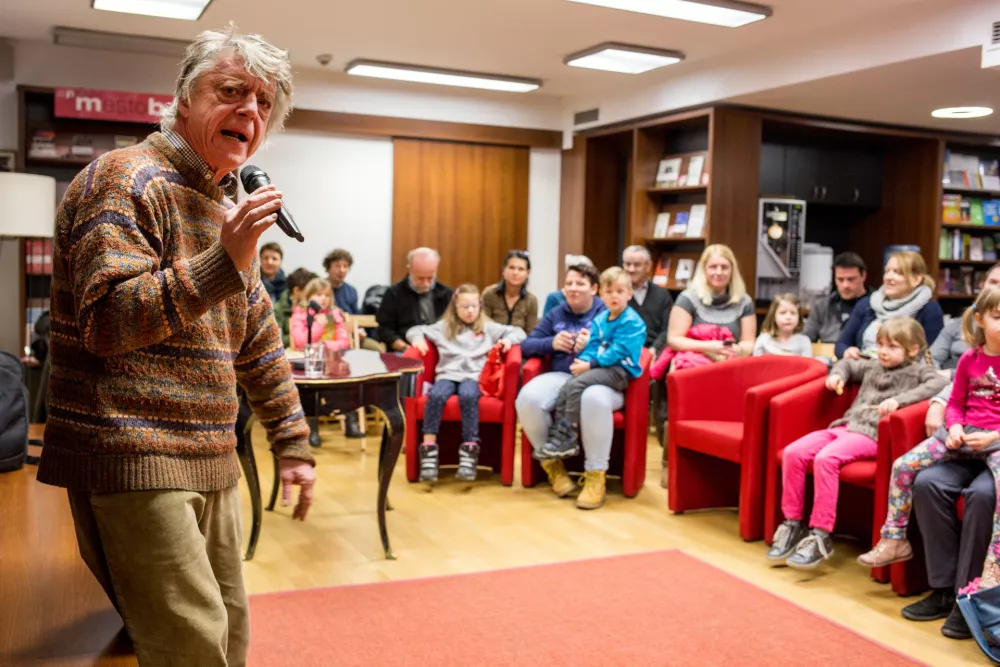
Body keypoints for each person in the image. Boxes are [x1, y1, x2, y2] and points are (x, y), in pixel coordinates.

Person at [36, 25, 316, 667]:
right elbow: (107, 322)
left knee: (227, 635)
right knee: (187, 645)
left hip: (212, 453)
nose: (250, 110)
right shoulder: (124, 179)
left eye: (264, 102)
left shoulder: (225, 204)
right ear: (185, 98)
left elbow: (259, 343)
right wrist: (227, 259)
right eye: (232, 90)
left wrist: (292, 442)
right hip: (133, 452)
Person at [766, 317, 946, 569]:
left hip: (870, 435)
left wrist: (901, 400)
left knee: (826, 459)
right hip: (845, 426)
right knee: (794, 453)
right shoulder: (873, 366)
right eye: (881, 344)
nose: (883, 352)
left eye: (892, 347)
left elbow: (940, 382)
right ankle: (792, 523)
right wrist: (837, 376)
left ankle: (820, 534)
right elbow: (848, 365)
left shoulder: (917, 371)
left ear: (913, 350)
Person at [860, 287, 1000, 592]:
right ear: (979, 319)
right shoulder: (968, 360)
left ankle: (995, 567)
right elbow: (955, 403)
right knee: (903, 466)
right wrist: (953, 428)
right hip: (961, 434)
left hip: (997, 440)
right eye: (998, 317)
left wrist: (994, 436)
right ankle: (894, 538)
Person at [537, 267, 646, 508]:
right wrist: (581, 361)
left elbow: (618, 351)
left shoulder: (632, 321)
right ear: (602, 296)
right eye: (610, 292)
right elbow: (593, 344)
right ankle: (561, 433)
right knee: (570, 384)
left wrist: (591, 364)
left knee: (579, 384)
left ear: (629, 294)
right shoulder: (600, 319)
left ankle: (569, 432)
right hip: (599, 366)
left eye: (620, 291)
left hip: (620, 371)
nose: (615, 296)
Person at [899, 381, 993, 640]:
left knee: (983, 495)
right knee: (929, 483)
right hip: (965, 448)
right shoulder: (983, 356)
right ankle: (943, 589)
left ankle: (969, 599)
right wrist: (939, 404)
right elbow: (957, 383)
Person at [516, 263, 614, 509]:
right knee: (527, 399)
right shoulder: (556, 313)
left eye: (580, 283)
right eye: (568, 283)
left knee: (593, 399)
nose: (573, 288)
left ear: (594, 289)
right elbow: (527, 345)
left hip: (599, 378)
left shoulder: (607, 314)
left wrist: (592, 346)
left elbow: (622, 348)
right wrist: (552, 343)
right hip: (562, 375)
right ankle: (553, 466)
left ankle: (595, 476)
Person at [656, 244, 755, 485]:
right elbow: (675, 339)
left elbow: (749, 343)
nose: (719, 272)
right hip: (694, 364)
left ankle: (719, 461)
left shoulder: (744, 301)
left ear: (732, 270)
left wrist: (733, 350)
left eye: (724, 267)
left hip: (729, 364)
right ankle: (671, 462)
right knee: (681, 395)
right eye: (713, 267)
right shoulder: (687, 298)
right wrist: (711, 347)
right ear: (704, 269)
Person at [407, 284, 525, 483]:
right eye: (464, 307)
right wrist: (418, 340)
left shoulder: (488, 327)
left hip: (473, 377)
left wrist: (508, 341)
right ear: (455, 307)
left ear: (480, 306)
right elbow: (415, 329)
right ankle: (429, 448)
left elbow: (519, 331)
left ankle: (469, 448)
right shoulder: (443, 328)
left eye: (474, 306)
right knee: (436, 396)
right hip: (447, 375)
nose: (470, 311)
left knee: (468, 396)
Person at [835, 250, 943, 360]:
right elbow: (841, 344)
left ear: (916, 279)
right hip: (863, 369)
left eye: (897, 272)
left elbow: (930, 355)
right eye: (887, 271)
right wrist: (847, 352)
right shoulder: (867, 304)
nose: (888, 277)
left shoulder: (929, 310)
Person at [377, 247, 452, 352]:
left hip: (439, 349)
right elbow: (384, 330)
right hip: (405, 348)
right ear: (410, 269)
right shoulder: (394, 293)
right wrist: (406, 348)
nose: (426, 283)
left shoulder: (446, 293)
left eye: (430, 278)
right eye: (420, 278)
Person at [931, 262, 1000, 372]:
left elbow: (992, 368)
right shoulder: (958, 324)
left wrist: (951, 374)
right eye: (993, 282)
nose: (997, 288)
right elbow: (931, 359)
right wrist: (933, 378)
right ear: (982, 285)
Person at [803, 252, 869, 343]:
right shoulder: (822, 306)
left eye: (851, 279)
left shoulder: (876, 305)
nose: (845, 285)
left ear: (863, 276)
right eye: (840, 279)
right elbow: (806, 338)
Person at [622, 245, 673, 352]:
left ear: (648, 265)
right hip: (623, 352)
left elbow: (667, 330)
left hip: (655, 351)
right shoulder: (617, 295)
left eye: (637, 265)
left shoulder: (662, 295)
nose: (631, 269)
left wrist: (654, 350)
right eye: (627, 264)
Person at [481, 250, 539, 333]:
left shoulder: (531, 300)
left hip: (519, 343)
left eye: (521, 269)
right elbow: (483, 326)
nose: (515, 273)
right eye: (511, 268)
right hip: (492, 342)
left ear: (527, 273)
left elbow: (531, 334)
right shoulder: (489, 294)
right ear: (503, 270)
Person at [290, 277, 349, 351]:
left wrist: (324, 345)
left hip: (331, 356)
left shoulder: (334, 313)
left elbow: (345, 342)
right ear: (309, 296)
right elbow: (301, 343)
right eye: (319, 295)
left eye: (327, 295)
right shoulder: (300, 313)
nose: (323, 298)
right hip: (306, 358)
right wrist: (319, 325)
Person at [754, 293, 813, 357]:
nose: (788, 317)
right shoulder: (763, 340)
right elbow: (756, 364)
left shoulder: (804, 342)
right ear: (773, 317)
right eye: (783, 313)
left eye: (793, 313)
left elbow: (808, 365)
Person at [274, 267, 316, 348]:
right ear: (296, 290)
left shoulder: (311, 307)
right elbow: (277, 339)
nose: (311, 294)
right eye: (308, 290)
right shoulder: (278, 309)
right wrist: (299, 338)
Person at [324, 247, 358, 314]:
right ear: (328, 268)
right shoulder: (319, 288)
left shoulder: (351, 291)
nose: (342, 270)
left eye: (345, 266)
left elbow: (355, 316)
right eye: (337, 266)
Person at [259, 241, 287, 305]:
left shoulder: (288, 286)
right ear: (260, 260)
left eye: (274, 259)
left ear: (281, 261)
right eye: (266, 258)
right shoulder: (250, 284)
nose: (269, 262)